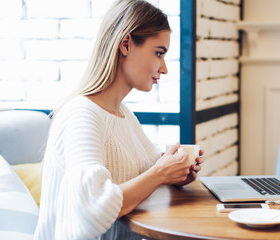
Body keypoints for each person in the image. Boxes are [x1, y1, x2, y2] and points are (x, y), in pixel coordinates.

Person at [33, 0, 203, 239]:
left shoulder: (122, 114)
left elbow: (144, 175)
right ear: (126, 44)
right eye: (159, 53)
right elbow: (93, 209)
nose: (164, 68)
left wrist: (173, 176)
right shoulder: (81, 114)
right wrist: (159, 174)